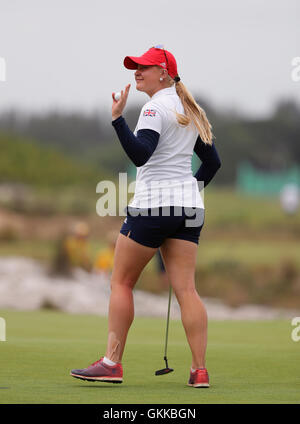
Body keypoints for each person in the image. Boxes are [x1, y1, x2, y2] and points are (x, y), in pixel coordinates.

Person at [70, 46, 221, 388]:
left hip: (152, 207)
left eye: (145, 67)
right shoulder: (189, 109)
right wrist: (188, 193)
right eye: (135, 67)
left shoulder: (153, 108)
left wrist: (117, 119)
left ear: (164, 73)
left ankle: (111, 363)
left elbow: (140, 155)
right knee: (187, 289)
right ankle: (199, 371)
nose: (137, 72)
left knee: (121, 283)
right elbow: (213, 164)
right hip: (189, 210)